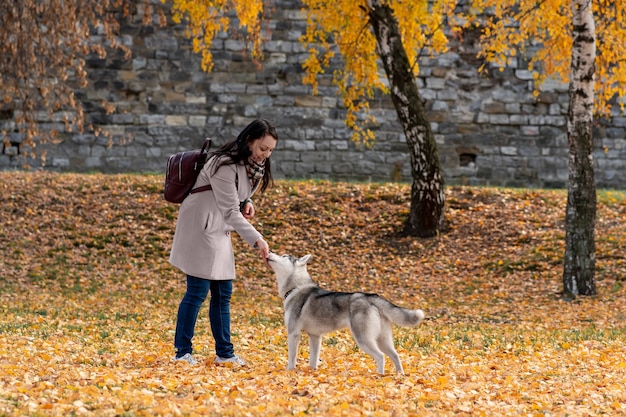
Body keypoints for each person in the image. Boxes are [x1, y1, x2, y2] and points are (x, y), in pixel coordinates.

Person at [169, 119, 277, 366]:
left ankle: (224, 354)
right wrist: (257, 239)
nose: (266, 155)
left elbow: (238, 196)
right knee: (197, 291)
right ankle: (182, 352)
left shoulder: (250, 166)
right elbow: (230, 210)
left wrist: (247, 202)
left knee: (223, 293)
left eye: (271, 150)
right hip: (200, 227)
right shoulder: (223, 164)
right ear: (249, 141)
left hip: (219, 230)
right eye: (263, 148)